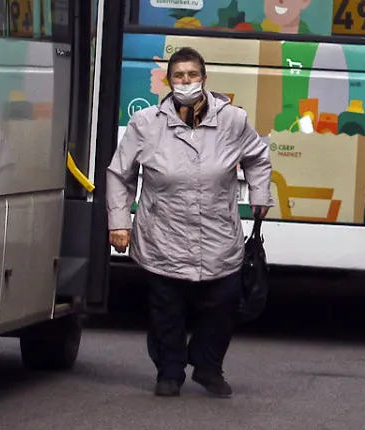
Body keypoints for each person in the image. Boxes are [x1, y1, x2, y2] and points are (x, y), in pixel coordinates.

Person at [107, 46, 273, 398]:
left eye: (192, 75)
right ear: (169, 81)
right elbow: (120, 174)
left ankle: (208, 366)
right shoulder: (146, 124)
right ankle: (169, 370)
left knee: (224, 301)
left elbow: (258, 157)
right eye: (179, 76)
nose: (186, 82)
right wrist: (118, 223)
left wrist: (260, 195)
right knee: (166, 306)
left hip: (218, 232)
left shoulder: (233, 120)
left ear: (204, 78)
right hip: (163, 231)